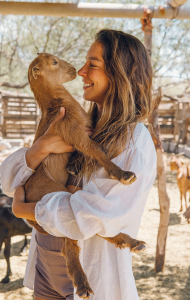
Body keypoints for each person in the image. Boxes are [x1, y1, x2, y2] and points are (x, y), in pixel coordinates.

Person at [0, 29, 157, 300]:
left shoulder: (134, 140)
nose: (82, 72)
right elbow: (8, 181)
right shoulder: (74, 122)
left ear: (121, 75)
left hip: (91, 272)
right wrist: (41, 147)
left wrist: (28, 209)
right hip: (45, 265)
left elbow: (93, 216)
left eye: (92, 65)